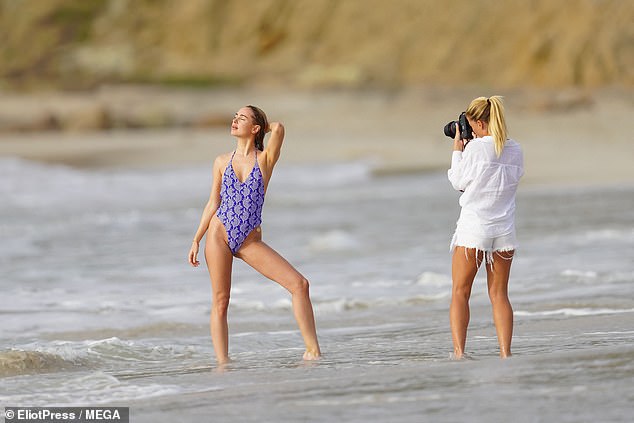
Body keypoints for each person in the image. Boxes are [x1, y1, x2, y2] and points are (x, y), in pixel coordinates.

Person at [188, 105, 321, 364]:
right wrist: (196, 238)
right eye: (234, 117)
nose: (235, 121)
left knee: (300, 285)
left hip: (249, 240)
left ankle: (313, 350)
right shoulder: (221, 161)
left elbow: (279, 128)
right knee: (221, 301)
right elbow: (212, 202)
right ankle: (222, 363)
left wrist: (262, 126)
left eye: (242, 118)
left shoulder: (265, 159)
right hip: (219, 235)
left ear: (256, 128)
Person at [447, 96, 524, 359]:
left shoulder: (477, 149)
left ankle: (459, 352)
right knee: (500, 294)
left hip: (474, 228)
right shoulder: (515, 149)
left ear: (480, 122)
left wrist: (458, 149)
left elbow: (458, 181)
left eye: (471, 126)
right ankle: (506, 353)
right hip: (504, 228)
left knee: (460, 291)